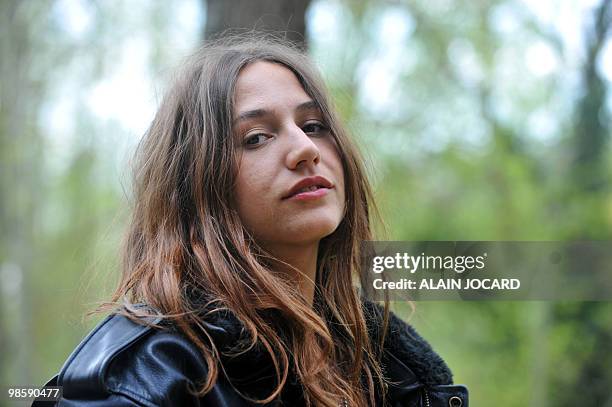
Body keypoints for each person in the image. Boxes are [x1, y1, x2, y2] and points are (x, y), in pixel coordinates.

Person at [35, 34, 468, 407]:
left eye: (314, 125)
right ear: (198, 183)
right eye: (256, 138)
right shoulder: (145, 376)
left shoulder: (393, 367)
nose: (304, 149)